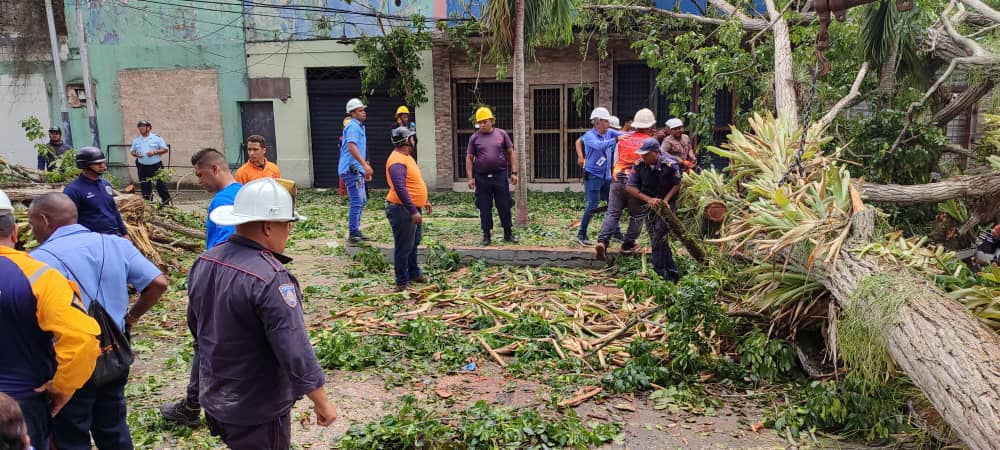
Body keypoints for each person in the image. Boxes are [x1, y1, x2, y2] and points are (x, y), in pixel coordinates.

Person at [189, 178, 337, 448]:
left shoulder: (205, 260)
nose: (289, 232)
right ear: (268, 226)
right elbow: (294, 348)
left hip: (217, 398)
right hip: (256, 407)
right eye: (287, 224)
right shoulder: (272, 278)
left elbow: (196, 326)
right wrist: (322, 401)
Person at [28, 193, 168, 450]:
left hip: (68, 361)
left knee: (71, 435)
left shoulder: (37, 261)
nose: (32, 230)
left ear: (44, 220)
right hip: (114, 353)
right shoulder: (115, 244)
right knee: (114, 428)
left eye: (32, 222)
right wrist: (132, 317)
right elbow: (158, 282)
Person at [0, 189, 100, 450]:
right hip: (19, 409)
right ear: (14, 232)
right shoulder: (41, 278)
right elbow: (82, 340)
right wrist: (61, 389)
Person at [157, 149, 242, 427]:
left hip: (222, 286)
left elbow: (223, 252)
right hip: (242, 285)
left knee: (205, 344)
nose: (200, 181)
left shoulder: (222, 204)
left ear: (215, 169)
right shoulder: (242, 193)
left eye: (200, 175)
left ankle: (193, 405)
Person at [594, 108, 657, 260]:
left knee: (612, 212)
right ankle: (627, 244)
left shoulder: (623, 138)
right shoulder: (650, 142)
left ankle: (602, 241)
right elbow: (653, 165)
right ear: (650, 126)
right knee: (637, 215)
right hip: (635, 184)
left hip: (617, 181)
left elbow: (615, 160)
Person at [625, 138, 684, 282]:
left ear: (656, 153)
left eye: (646, 155)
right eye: (642, 155)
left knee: (658, 237)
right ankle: (671, 273)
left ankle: (659, 274)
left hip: (666, 207)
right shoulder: (639, 165)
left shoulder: (670, 165)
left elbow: (677, 184)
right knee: (657, 239)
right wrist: (648, 200)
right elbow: (630, 187)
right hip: (649, 205)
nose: (643, 157)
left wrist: (666, 200)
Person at [386, 127, 432, 291]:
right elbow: (400, 187)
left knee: (413, 243)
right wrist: (413, 210)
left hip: (412, 207)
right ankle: (402, 281)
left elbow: (412, 183)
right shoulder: (397, 161)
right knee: (404, 246)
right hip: (401, 209)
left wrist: (423, 200)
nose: (414, 139)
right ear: (406, 140)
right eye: (412, 137)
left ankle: (414, 273)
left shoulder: (407, 157)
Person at [465, 106, 519, 246]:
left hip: (499, 176)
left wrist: (514, 172)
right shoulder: (474, 138)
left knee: (504, 205)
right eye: (479, 122)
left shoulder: (501, 134)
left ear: (492, 121)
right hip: (482, 178)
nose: (482, 125)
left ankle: (508, 233)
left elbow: (511, 153)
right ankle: (486, 235)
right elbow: (469, 158)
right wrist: (470, 178)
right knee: (484, 206)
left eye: (485, 121)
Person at [575, 107, 623, 246]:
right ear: (597, 122)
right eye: (606, 121)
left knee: (613, 204)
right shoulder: (590, 136)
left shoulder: (609, 133)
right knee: (592, 205)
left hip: (606, 176)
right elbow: (598, 146)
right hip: (594, 176)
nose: (608, 124)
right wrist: (615, 140)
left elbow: (622, 134)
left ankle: (616, 232)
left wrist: (638, 133)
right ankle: (581, 234)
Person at [63, 147, 128, 237]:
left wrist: (124, 233)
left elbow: (113, 209)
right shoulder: (73, 190)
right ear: (84, 165)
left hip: (115, 236)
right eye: (98, 164)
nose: (103, 166)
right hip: (94, 240)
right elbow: (69, 221)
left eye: (103, 162)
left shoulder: (106, 185)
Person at [341, 98, 373, 244]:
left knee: (362, 200)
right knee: (357, 201)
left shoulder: (360, 127)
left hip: (356, 169)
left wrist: (364, 167)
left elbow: (360, 148)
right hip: (350, 170)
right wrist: (364, 166)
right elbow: (352, 147)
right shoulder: (353, 127)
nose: (364, 112)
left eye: (364, 110)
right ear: (352, 113)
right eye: (360, 110)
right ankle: (353, 232)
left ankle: (356, 230)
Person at [130, 120, 171, 205]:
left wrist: (154, 152)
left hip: (156, 166)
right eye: (139, 127)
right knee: (145, 186)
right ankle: (148, 205)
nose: (141, 129)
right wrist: (136, 154)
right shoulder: (137, 140)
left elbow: (165, 149)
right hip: (142, 166)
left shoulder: (156, 138)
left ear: (148, 128)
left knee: (161, 185)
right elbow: (132, 151)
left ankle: (166, 203)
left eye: (143, 127)